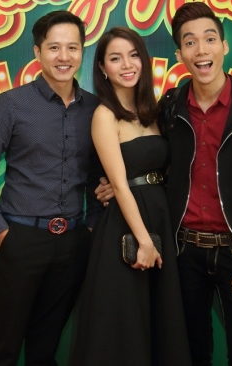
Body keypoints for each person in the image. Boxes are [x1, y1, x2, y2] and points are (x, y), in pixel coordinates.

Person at [96, 2, 232, 365]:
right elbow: (156, 161)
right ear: (180, 55)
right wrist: (123, 183)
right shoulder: (170, 107)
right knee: (188, 353)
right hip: (182, 252)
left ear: (224, 46)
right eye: (189, 42)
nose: (201, 49)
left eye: (209, 39)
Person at [0, 10, 100, 366]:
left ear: (82, 51)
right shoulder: (12, 104)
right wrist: (1, 230)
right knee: (4, 349)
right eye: (54, 47)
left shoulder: (95, 109)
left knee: (45, 349)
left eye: (72, 47)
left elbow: (98, 177)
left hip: (73, 243)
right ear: (38, 52)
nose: (64, 56)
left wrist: (90, 228)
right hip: (21, 238)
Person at [70, 27, 191, 366]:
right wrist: (145, 241)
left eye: (133, 55)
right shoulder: (104, 115)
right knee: (123, 327)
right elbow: (120, 185)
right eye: (115, 58)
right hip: (126, 229)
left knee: (160, 321)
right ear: (102, 68)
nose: (127, 64)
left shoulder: (156, 111)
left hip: (161, 218)